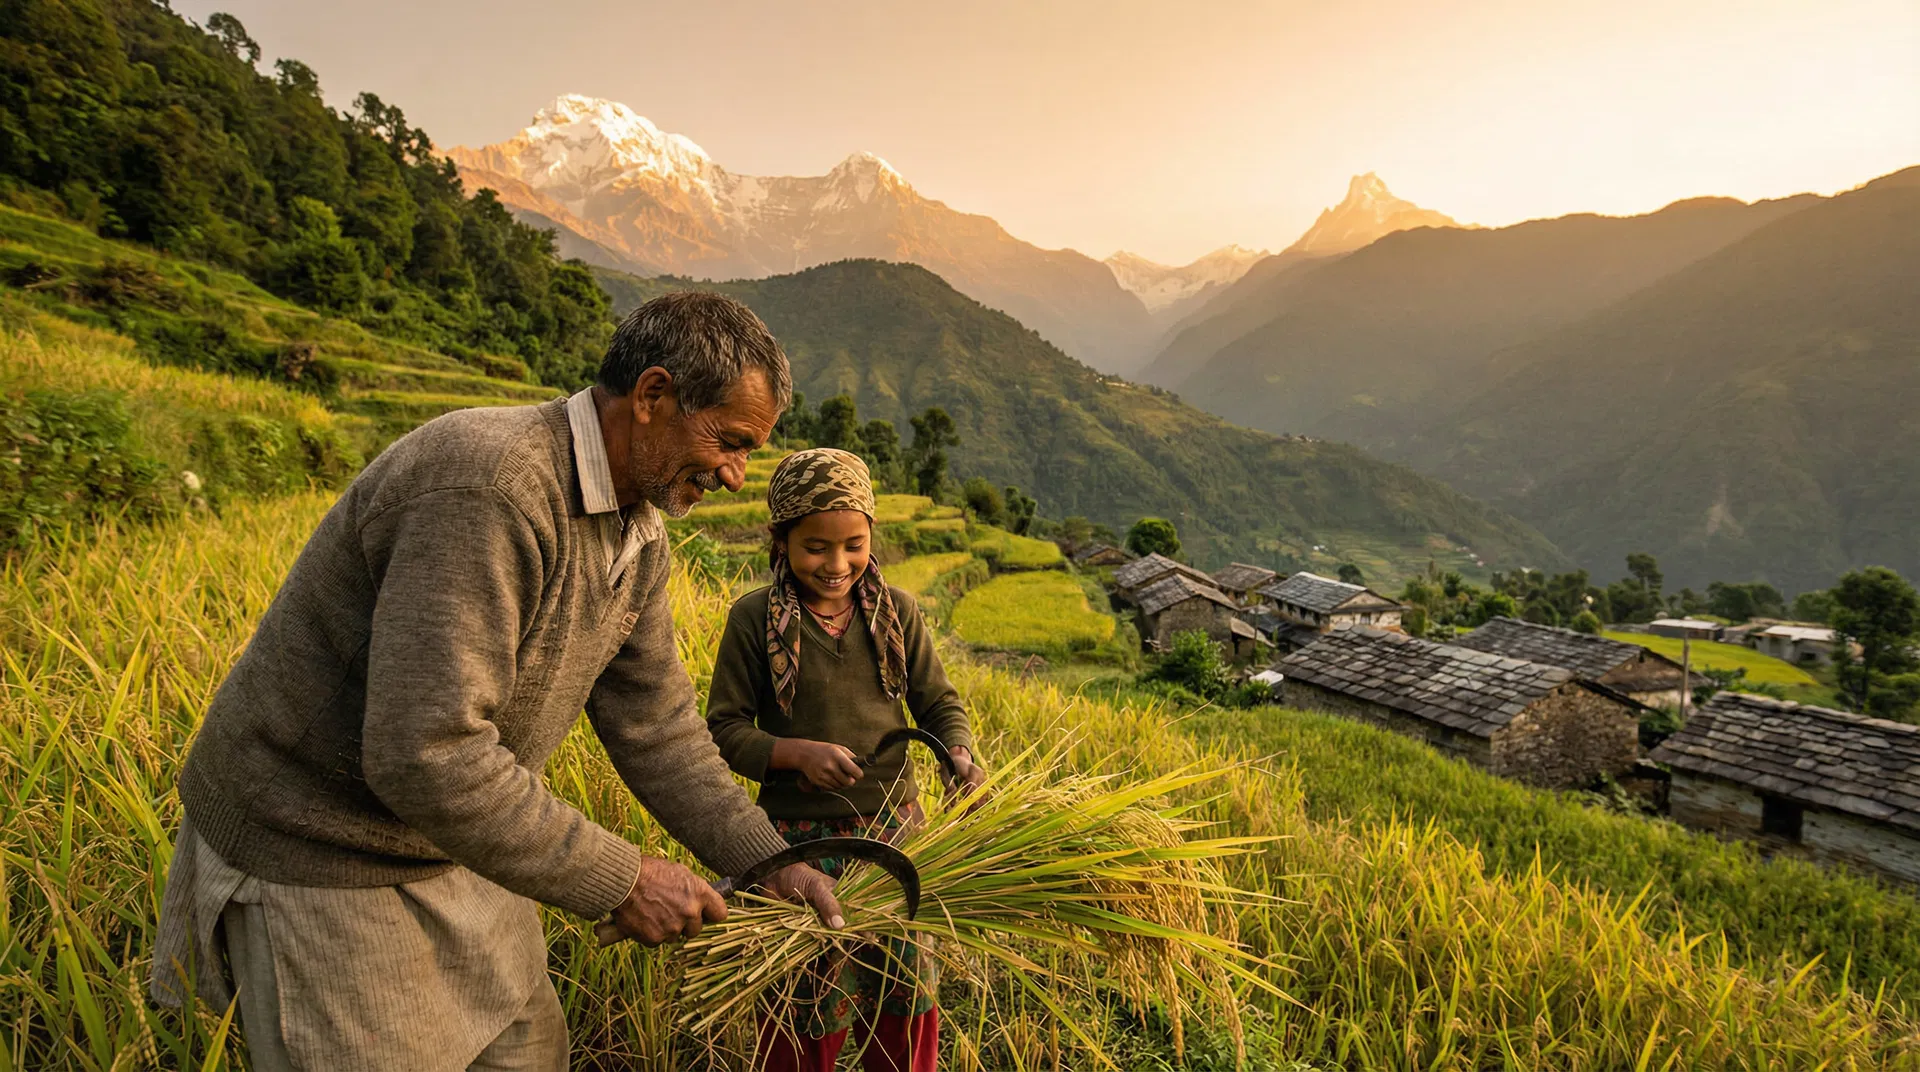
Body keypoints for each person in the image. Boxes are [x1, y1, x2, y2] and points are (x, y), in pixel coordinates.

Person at [149, 292, 842, 1072]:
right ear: (652, 397)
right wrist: (624, 880)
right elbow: (427, 753)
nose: (737, 475)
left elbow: (661, 729)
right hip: (320, 855)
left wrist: (767, 861)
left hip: (460, 846)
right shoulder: (491, 487)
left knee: (527, 1052)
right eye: (730, 441)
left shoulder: (638, 529)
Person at [706, 448, 987, 1072]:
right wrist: (791, 753)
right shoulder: (754, 620)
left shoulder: (898, 614)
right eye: (816, 548)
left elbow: (938, 703)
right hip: (795, 848)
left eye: (853, 545)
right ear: (780, 540)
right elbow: (722, 730)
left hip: (896, 839)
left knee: (903, 1001)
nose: (837, 565)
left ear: (871, 537)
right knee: (803, 1008)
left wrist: (958, 755)